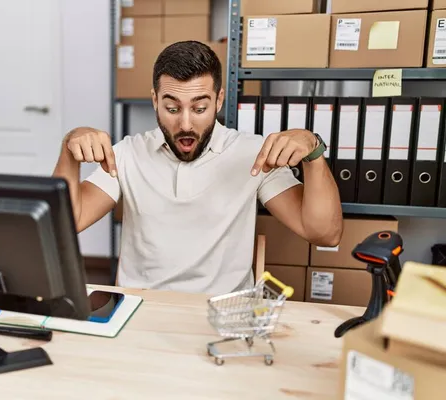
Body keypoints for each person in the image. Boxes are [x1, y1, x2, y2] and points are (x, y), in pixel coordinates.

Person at [53, 40, 343, 295]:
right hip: (141, 310)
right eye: (172, 108)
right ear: (155, 100)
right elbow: (65, 223)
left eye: (200, 108)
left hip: (222, 314)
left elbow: (324, 233)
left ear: (219, 100)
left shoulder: (253, 154)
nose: (186, 124)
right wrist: (69, 151)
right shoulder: (128, 154)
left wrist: (313, 152)